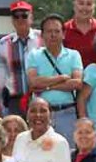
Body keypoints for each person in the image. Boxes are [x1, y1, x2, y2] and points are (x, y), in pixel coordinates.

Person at [27, 14, 85, 150]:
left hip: (67, 112)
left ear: (63, 34)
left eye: (57, 31)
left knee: (68, 152)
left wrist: (46, 86)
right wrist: (61, 78)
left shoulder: (73, 55)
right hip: (41, 115)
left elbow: (77, 83)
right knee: (39, 153)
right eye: (49, 31)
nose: (53, 35)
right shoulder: (34, 55)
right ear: (42, 35)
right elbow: (33, 82)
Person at [0, 0, 42, 118]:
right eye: (16, 16)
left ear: (31, 18)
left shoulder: (42, 38)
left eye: (24, 15)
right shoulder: (4, 43)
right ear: (12, 20)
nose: (20, 19)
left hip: (40, 98)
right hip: (15, 101)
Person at [63, 0, 96, 68]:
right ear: (75, 5)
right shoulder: (65, 28)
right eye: (81, 3)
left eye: (89, 4)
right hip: (71, 77)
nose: (85, 8)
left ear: (94, 7)